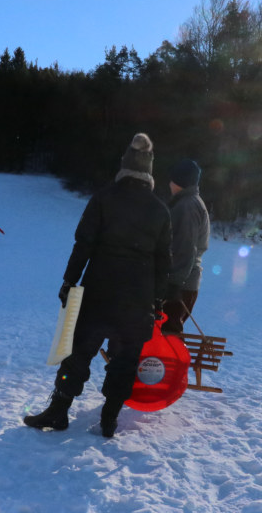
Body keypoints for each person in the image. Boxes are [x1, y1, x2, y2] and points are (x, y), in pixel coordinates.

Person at [24, 133, 171, 438]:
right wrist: (157, 302)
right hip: (138, 299)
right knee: (125, 360)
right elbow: (163, 261)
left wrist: (69, 280)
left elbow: (84, 243)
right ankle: (109, 419)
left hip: (99, 292)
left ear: (125, 165)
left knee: (77, 353)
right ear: (149, 171)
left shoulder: (104, 197)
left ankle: (59, 411)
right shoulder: (160, 210)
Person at [161, 158, 210, 334]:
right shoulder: (187, 202)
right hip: (180, 283)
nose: (169, 183)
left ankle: (172, 363)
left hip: (179, 286)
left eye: (172, 179)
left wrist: (173, 285)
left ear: (180, 182)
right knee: (161, 336)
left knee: (168, 336)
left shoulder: (187, 206)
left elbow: (186, 248)